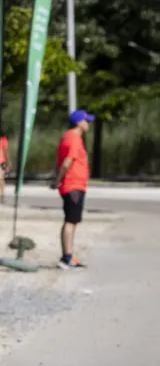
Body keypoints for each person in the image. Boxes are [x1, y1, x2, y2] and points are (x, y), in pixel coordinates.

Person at [51, 109, 94, 269]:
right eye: (86, 121)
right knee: (71, 221)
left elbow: (60, 160)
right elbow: (67, 162)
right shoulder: (74, 139)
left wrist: (57, 180)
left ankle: (68, 256)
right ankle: (66, 258)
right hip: (73, 185)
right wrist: (58, 180)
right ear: (78, 122)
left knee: (72, 220)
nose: (88, 124)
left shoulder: (68, 137)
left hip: (73, 184)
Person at [0, 128, 8, 205]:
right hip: (2, 161)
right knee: (1, 179)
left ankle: (2, 196)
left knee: (1, 179)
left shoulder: (3, 139)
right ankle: (2, 196)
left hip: (1, 161)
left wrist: (7, 162)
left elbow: (5, 151)